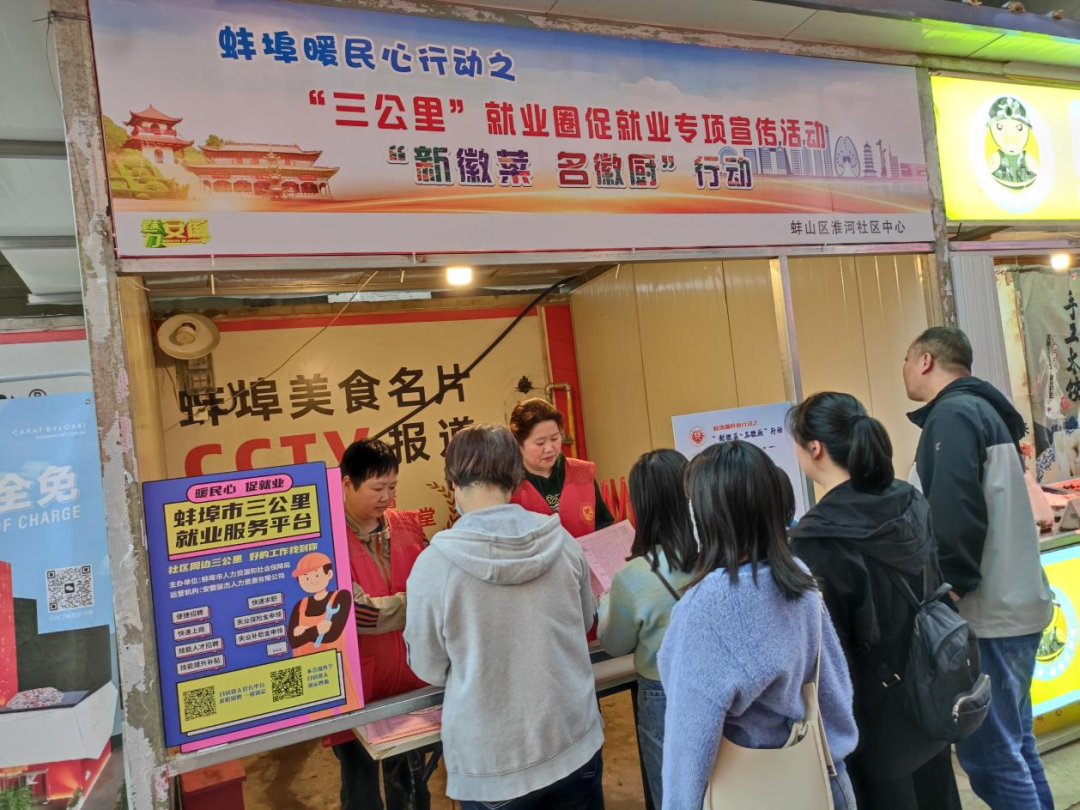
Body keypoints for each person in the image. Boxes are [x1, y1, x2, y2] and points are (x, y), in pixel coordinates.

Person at [405, 424, 604, 809]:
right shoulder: (562, 542)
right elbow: (584, 622)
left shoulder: (435, 566)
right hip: (574, 739)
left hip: (494, 762)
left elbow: (428, 667)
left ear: (453, 482)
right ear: (516, 476)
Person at [657, 441, 858, 810]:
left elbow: (689, 740)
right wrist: (835, 758)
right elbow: (833, 688)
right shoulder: (798, 577)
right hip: (820, 780)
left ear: (708, 514)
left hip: (748, 790)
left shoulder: (706, 606)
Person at [904, 326, 1054, 810]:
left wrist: (948, 590)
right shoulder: (985, 412)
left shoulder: (952, 415)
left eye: (906, 361)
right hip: (1016, 605)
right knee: (1016, 748)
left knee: (992, 760)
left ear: (926, 361)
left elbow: (955, 514)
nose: (904, 372)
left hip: (988, 616)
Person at [788, 392, 961, 809]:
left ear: (815, 448)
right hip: (932, 688)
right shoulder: (908, 499)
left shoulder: (815, 538)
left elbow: (829, 654)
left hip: (871, 720)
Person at [326, 439, 431, 810]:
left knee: (413, 789)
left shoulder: (408, 526)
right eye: (377, 488)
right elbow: (356, 614)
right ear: (347, 484)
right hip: (357, 689)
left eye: (392, 486)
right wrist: (418, 604)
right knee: (361, 791)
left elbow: (437, 583)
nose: (387, 496)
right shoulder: (328, 538)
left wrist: (415, 603)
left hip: (411, 681)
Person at [596, 449, 697, 809]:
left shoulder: (633, 575)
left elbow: (615, 643)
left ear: (642, 505)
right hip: (718, 683)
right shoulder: (719, 552)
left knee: (673, 792)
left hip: (661, 692)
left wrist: (605, 601)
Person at [509, 398, 614, 537]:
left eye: (554, 438)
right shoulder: (508, 484)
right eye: (540, 443)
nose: (549, 448)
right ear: (518, 444)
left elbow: (603, 526)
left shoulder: (582, 472)